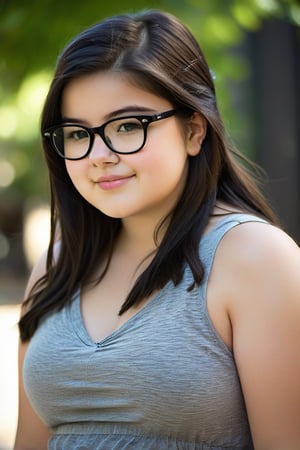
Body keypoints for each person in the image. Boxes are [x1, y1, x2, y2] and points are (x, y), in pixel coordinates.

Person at [14, 9, 300, 450]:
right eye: (77, 133)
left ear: (193, 131)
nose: (99, 155)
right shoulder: (56, 265)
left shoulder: (256, 257)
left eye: (127, 126)